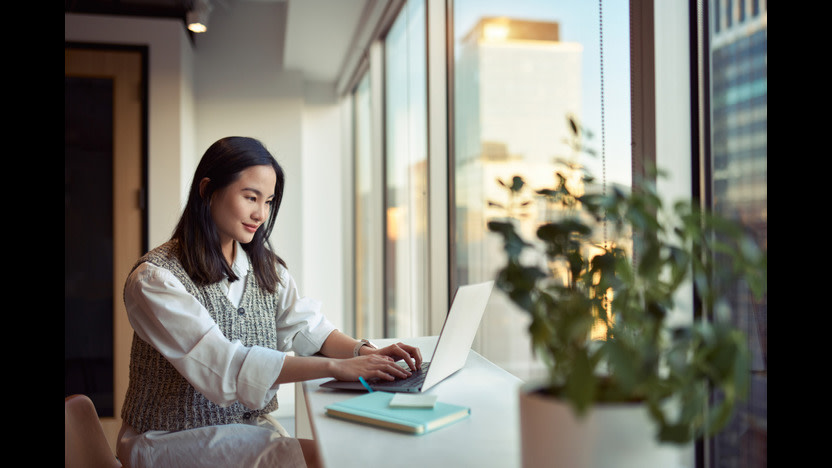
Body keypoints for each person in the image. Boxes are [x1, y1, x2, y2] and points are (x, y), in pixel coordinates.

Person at [116, 136, 422, 468]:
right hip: (166, 439)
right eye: (251, 197)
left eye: (269, 201)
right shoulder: (155, 279)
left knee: (336, 450)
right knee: (311, 457)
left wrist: (365, 354)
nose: (260, 213)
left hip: (243, 428)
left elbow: (308, 329)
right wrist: (337, 367)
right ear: (207, 190)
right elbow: (222, 368)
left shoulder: (264, 268)